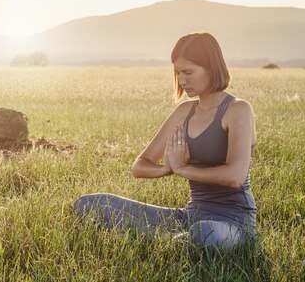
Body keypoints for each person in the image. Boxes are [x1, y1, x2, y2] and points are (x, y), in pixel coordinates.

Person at [73, 32, 257, 251]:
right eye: (177, 72)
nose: (182, 80)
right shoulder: (184, 112)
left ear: (212, 68)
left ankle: (165, 242)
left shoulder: (238, 110)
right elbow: (140, 166)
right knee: (90, 203)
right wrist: (167, 169)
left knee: (204, 233)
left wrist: (182, 168)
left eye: (188, 72)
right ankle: (173, 241)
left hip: (231, 224)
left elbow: (234, 176)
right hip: (189, 216)